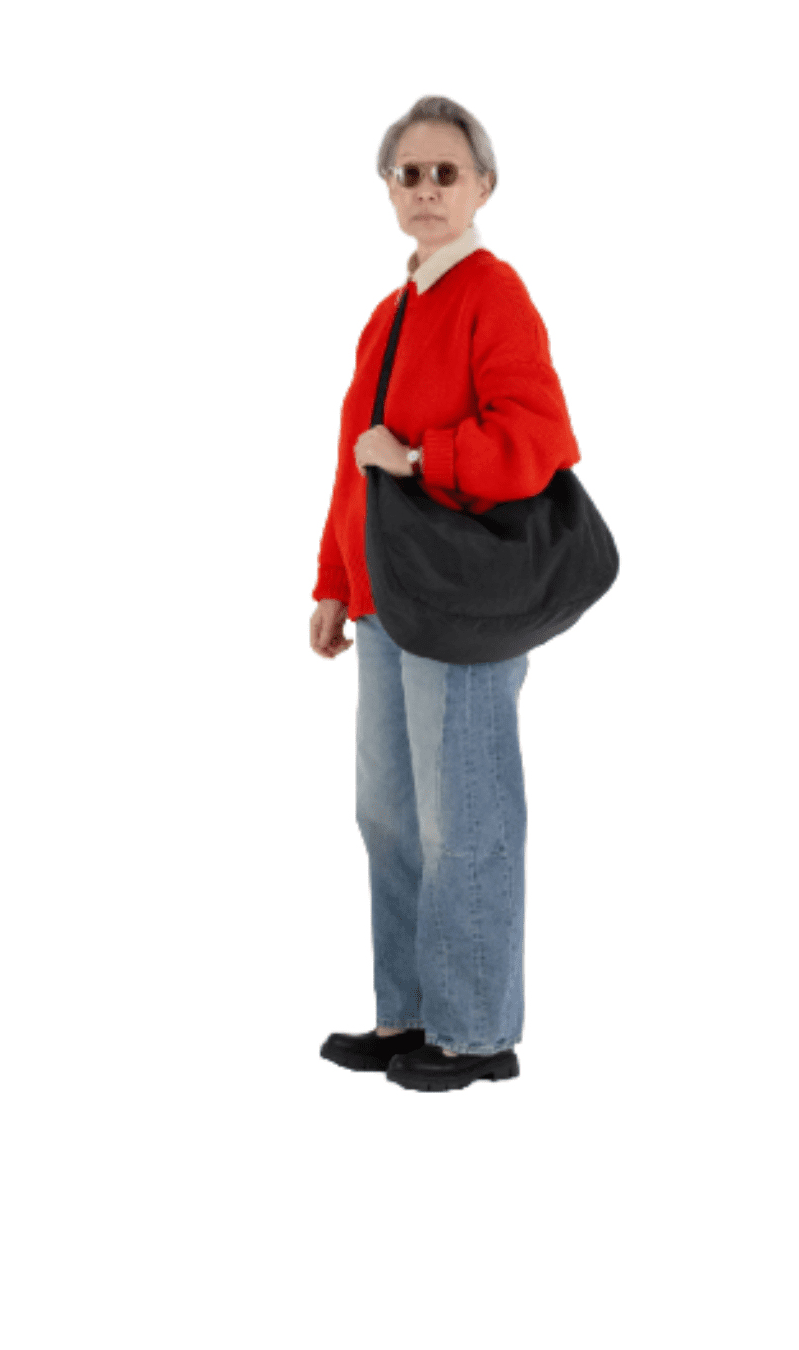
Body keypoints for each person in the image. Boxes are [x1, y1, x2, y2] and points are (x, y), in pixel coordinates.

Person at [312, 96, 582, 1092]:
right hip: (386, 600)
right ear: (389, 189)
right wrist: (335, 582)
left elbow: (538, 440)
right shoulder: (388, 317)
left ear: (483, 187)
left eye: (446, 173)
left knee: (464, 816)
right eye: (409, 173)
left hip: (460, 603)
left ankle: (475, 1032)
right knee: (388, 815)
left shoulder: (492, 295)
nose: (426, 189)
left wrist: (423, 457)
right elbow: (354, 465)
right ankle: (412, 1013)